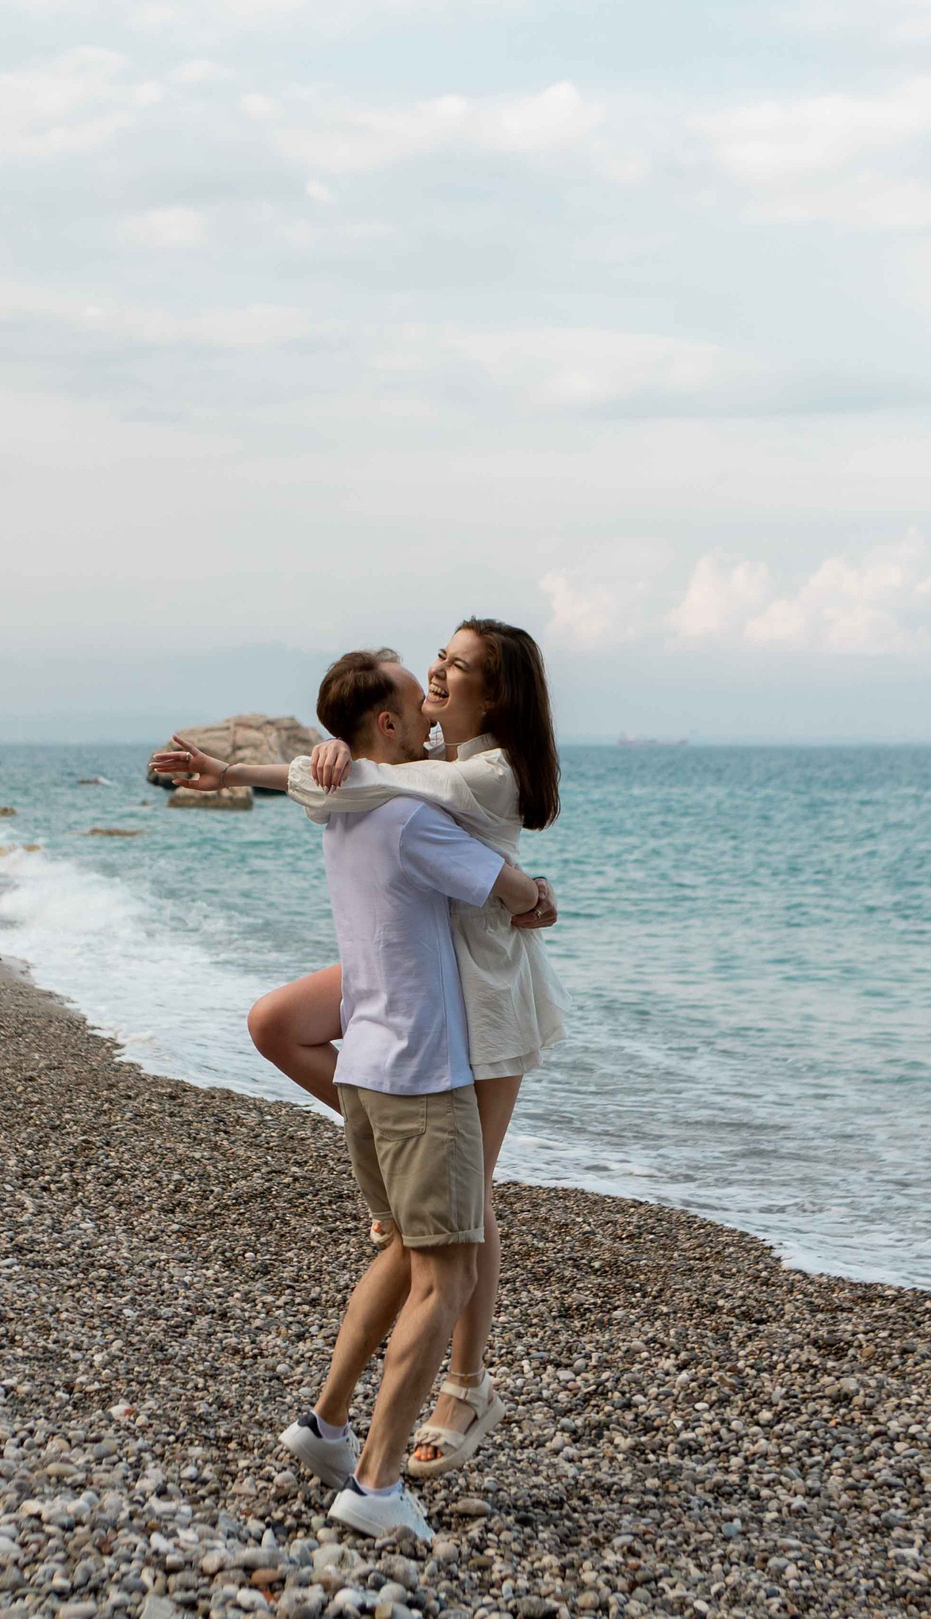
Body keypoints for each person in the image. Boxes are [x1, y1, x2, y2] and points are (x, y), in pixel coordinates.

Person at [149, 619, 563, 1478]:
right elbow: (363, 778)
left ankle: (466, 1381)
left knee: (467, 1198)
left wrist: (328, 762)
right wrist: (271, 767)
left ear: (499, 693)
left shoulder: (483, 773)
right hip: (415, 970)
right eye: (439, 658)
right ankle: (407, 1157)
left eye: (460, 666)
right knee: (280, 1027)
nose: (441, 672)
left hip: (480, 988)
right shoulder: (412, 768)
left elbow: (382, 782)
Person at [261, 648, 543, 1540]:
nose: (427, 692)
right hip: (425, 1075)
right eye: (411, 688)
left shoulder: (347, 811)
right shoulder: (415, 816)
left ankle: (325, 1426)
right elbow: (507, 887)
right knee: (450, 1267)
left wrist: (312, 759)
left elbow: (329, 779)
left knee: (409, 1250)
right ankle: (379, 1486)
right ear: (385, 725)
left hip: (363, 1071)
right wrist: (534, 893)